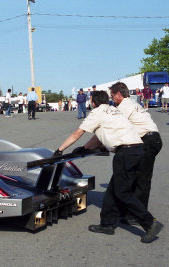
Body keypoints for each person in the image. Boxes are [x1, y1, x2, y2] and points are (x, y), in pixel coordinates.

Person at [54, 90, 163, 243]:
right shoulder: (114, 111)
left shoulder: (97, 113)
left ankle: (150, 223)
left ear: (93, 103)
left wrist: (60, 150)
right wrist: (85, 148)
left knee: (123, 192)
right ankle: (107, 224)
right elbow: (97, 137)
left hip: (126, 152)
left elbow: (78, 133)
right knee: (113, 189)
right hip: (138, 150)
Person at [110, 83, 162, 220]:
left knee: (141, 179)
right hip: (152, 139)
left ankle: (138, 216)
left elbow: (114, 126)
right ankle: (132, 210)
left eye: (112, 95)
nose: (112, 98)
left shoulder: (123, 107)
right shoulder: (133, 103)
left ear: (118, 94)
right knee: (136, 176)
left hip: (147, 140)